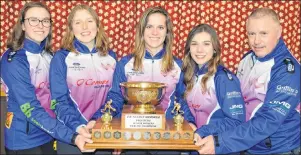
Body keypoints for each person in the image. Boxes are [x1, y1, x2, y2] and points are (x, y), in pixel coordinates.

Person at [91, 6, 196, 154]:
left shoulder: (178, 65)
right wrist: (98, 119)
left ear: (167, 32)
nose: (154, 32)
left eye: (160, 27)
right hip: (133, 137)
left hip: (168, 137)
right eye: (149, 26)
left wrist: (190, 122)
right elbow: (115, 97)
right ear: (142, 31)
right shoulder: (125, 63)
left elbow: (182, 100)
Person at [195, 8, 300, 154]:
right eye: (251, 34)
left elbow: (267, 121)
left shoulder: (287, 71)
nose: (256, 41)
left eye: (263, 33)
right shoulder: (246, 59)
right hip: (246, 146)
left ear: (279, 32)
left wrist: (220, 142)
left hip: (278, 149)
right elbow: (237, 108)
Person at [0, 2, 93, 154]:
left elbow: (61, 98)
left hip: (50, 135)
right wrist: (72, 137)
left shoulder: (50, 56)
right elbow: (31, 109)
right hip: (24, 141)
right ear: (23, 25)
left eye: (45, 20)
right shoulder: (14, 60)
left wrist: (79, 125)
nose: (40, 25)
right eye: (33, 20)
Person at [49, 4, 117, 154]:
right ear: (71, 28)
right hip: (71, 134)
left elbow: (115, 96)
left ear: (98, 26)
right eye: (78, 22)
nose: (84, 26)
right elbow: (59, 100)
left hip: (102, 130)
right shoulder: (61, 58)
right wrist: (78, 127)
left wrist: (97, 120)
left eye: (90, 21)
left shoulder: (111, 57)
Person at [176, 24, 245, 152]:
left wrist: (202, 131)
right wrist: (190, 123)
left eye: (206, 44)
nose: (199, 50)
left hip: (218, 148)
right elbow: (181, 102)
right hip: (194, 145)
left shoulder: (223, 78)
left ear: (214, 48)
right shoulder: (187, 74)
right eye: (194, 44)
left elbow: (236, 121)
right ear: (189, 49)